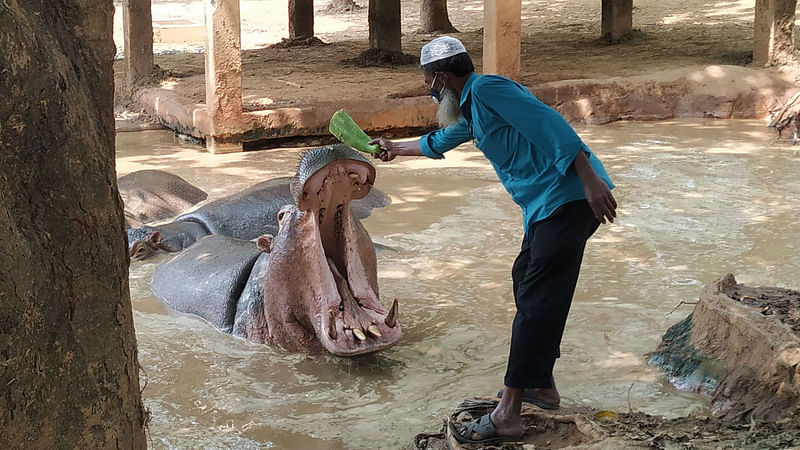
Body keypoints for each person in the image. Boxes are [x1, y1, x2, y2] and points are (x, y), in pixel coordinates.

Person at [368, 36, 617, 445]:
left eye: (429, 81)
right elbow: (439, 142)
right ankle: (541, 386)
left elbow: (550, 124)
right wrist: (395, 147)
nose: (430, 90)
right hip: (545, 207)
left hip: (569, 198)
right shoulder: (473, 108)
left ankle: (509, 412)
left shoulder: (487, 90)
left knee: (537, 299)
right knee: (527, 283)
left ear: (442, 78)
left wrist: (589, 180)